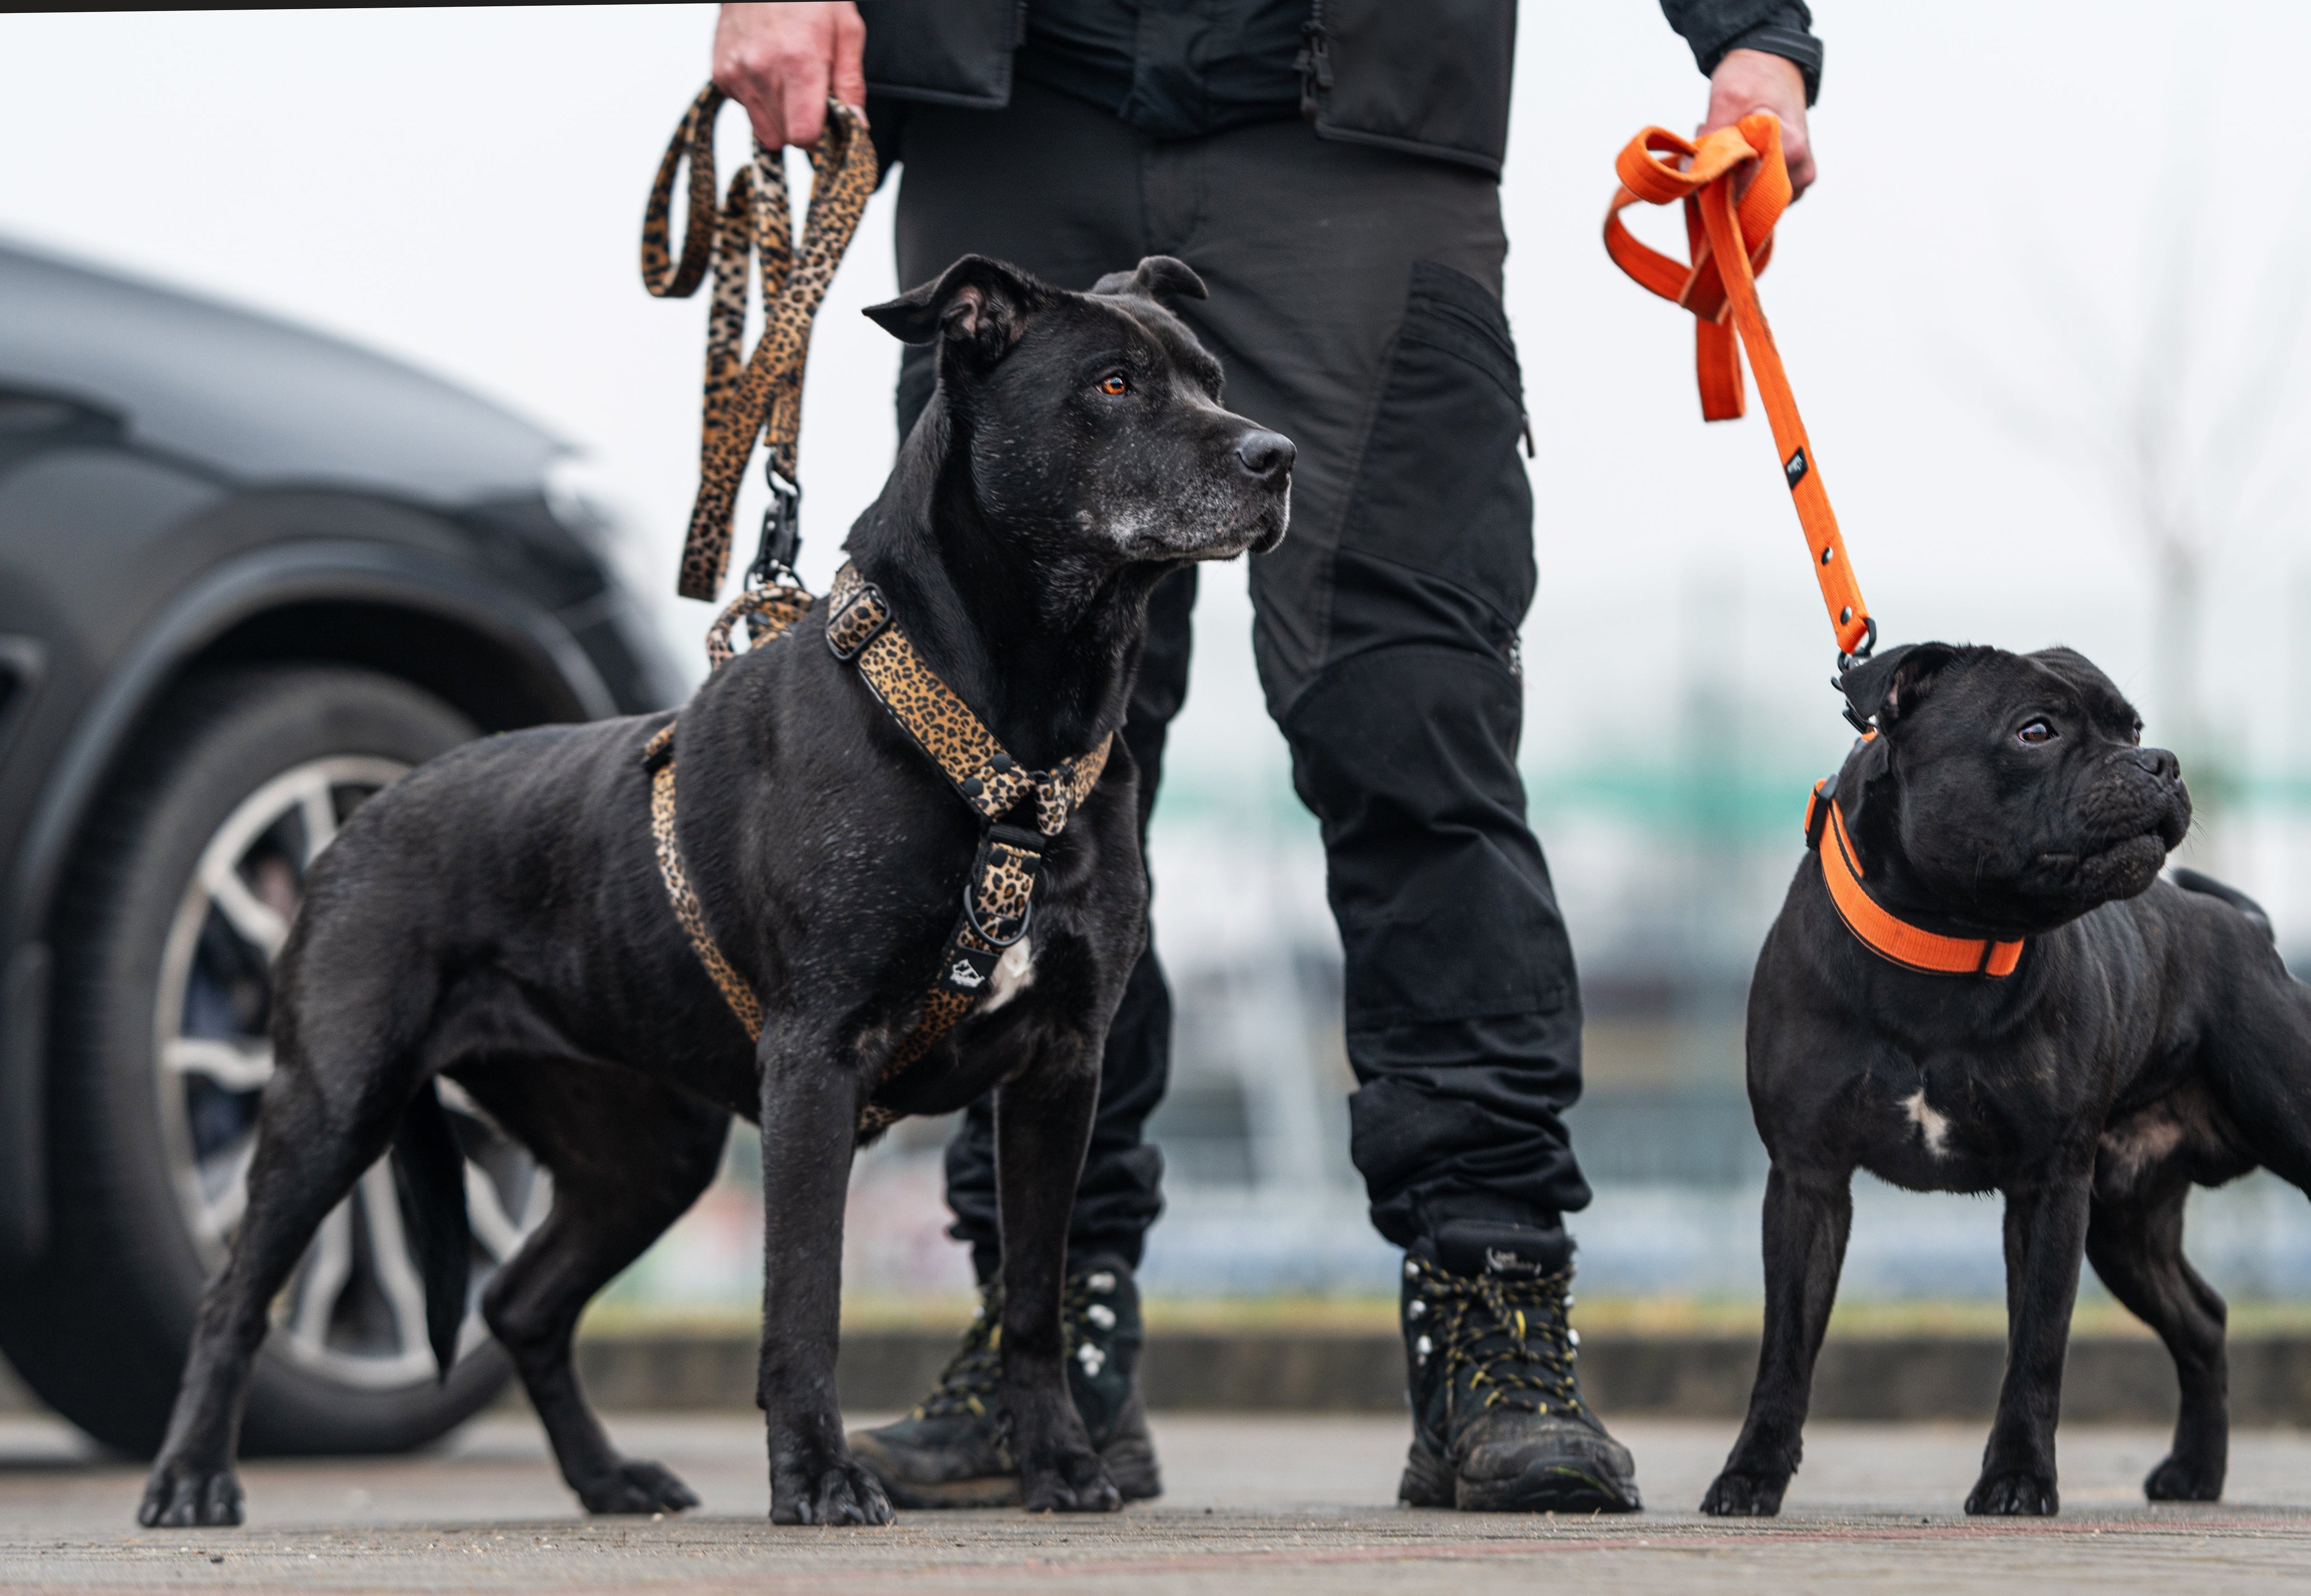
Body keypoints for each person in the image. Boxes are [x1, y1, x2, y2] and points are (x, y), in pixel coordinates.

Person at [708, 0, 1821, 1514]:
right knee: (998, 760)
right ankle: (1045, 1352)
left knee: (1412, 721)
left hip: (1354, 114)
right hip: (1011, 95)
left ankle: (1491, 1313)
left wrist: (1756, 36)